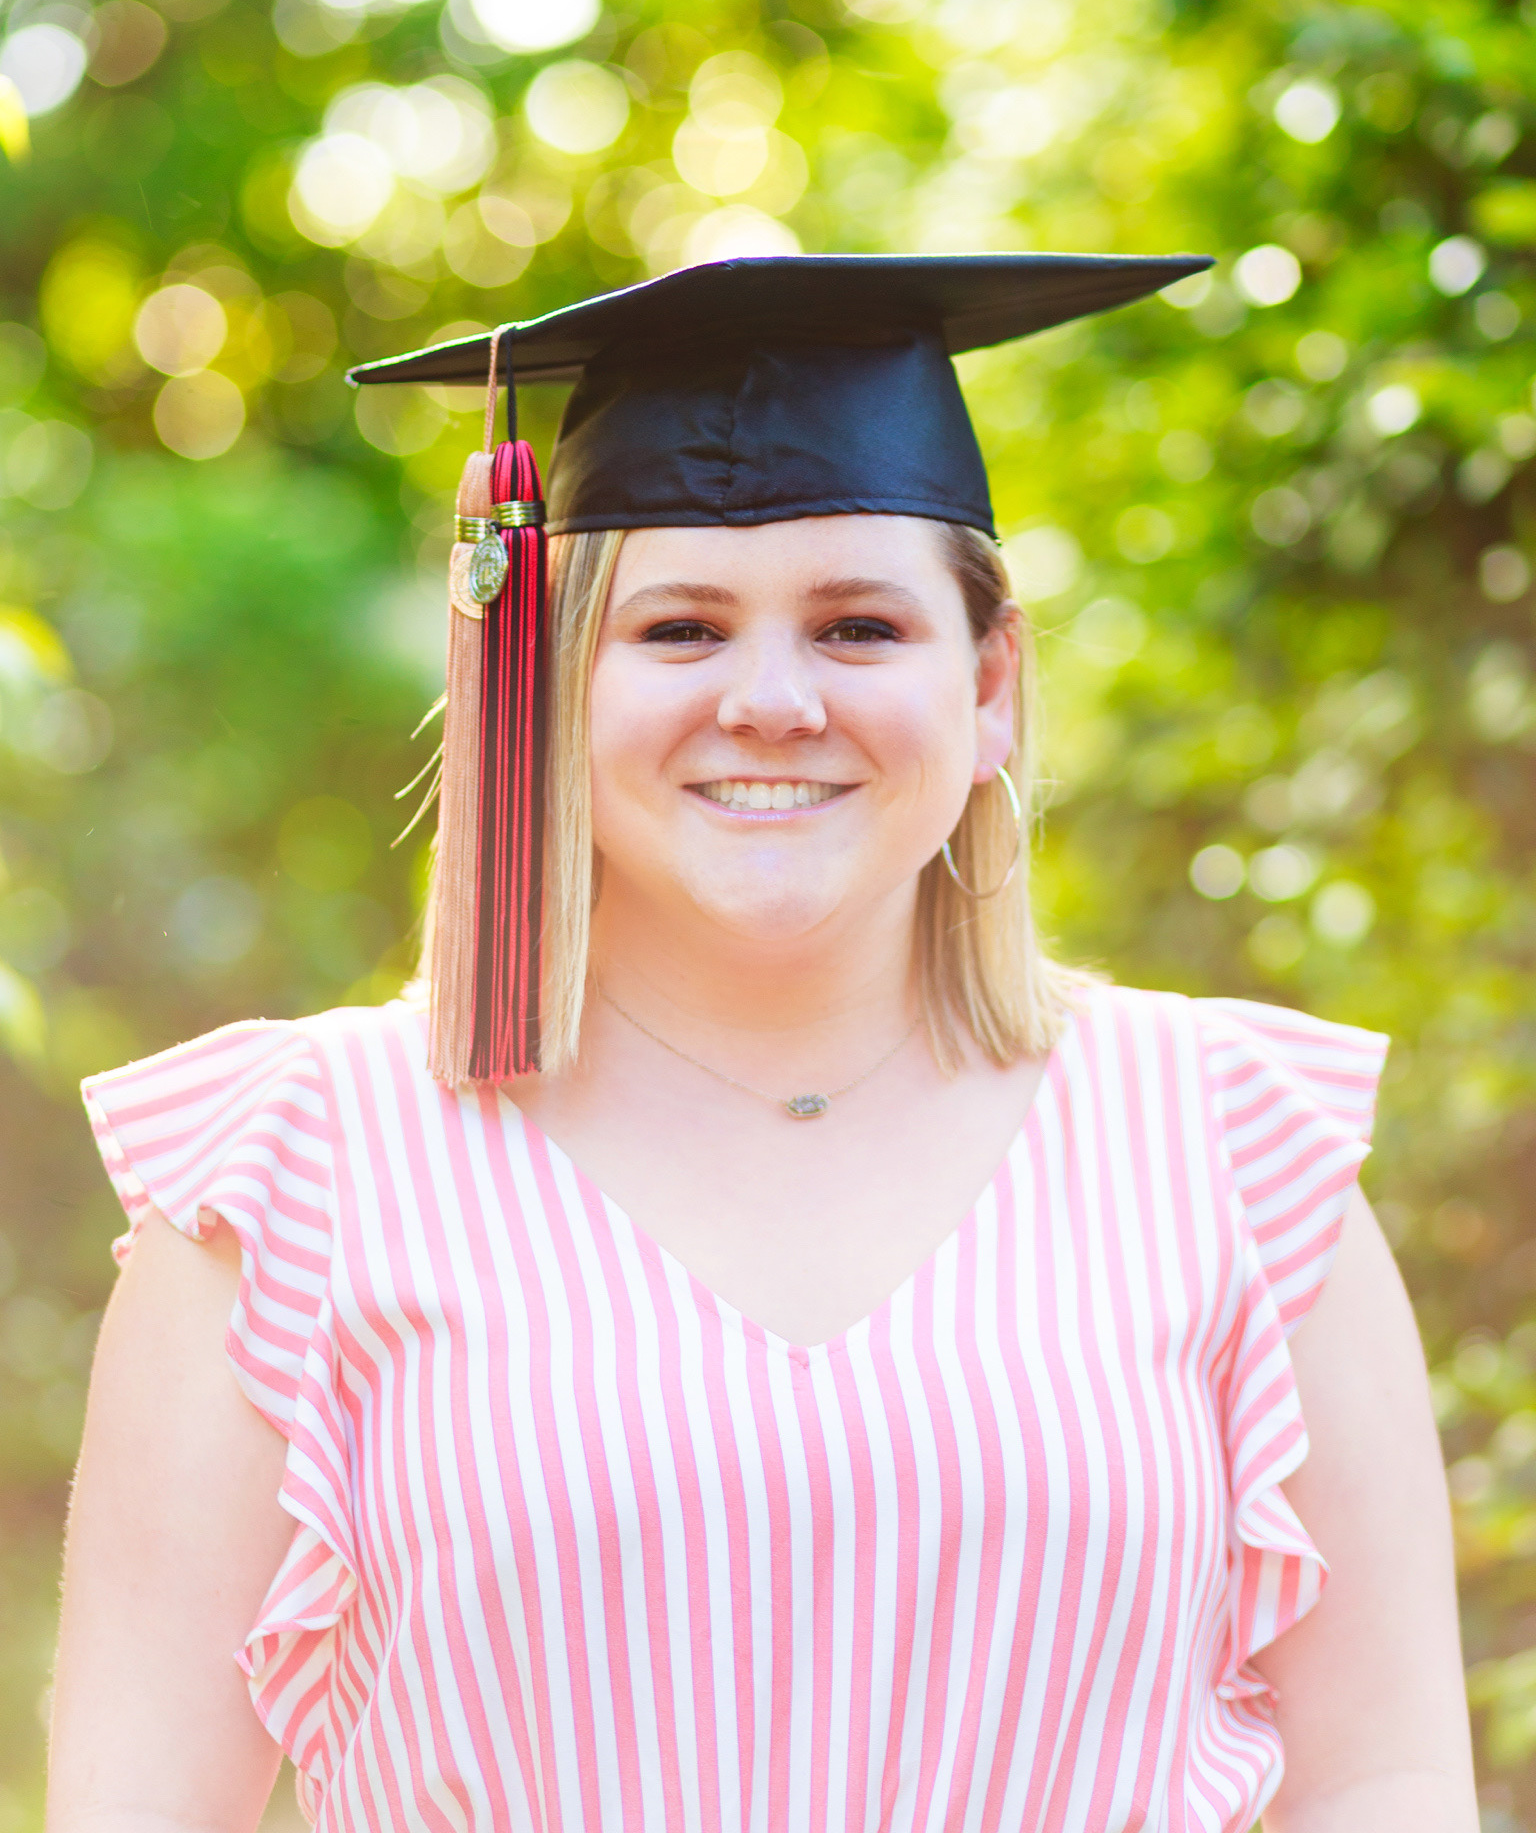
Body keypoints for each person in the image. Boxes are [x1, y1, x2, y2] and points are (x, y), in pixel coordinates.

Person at [48, 254, 1476, 1833]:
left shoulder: (1230, 1151)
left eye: (859, 626)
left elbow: (1387, 1780)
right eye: (681, 629)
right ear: (546, 676)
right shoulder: (287, 1183)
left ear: (991, 685)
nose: (773, 700)